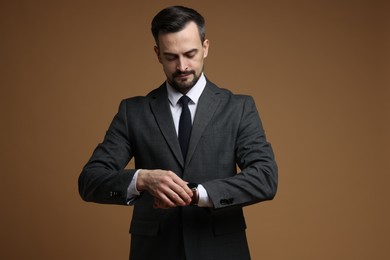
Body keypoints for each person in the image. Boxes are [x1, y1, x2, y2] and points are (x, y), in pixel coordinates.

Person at [79, 5, 278, 260]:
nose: (182, 66)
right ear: (157, 54)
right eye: (171, 56)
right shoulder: (133, 112)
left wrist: (198, 194)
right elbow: (90, 180)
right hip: (154, 252)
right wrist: (142, 179)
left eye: (190, 54)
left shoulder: (238, 108)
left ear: (205, 47)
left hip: (221, 251)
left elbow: (265, 178)